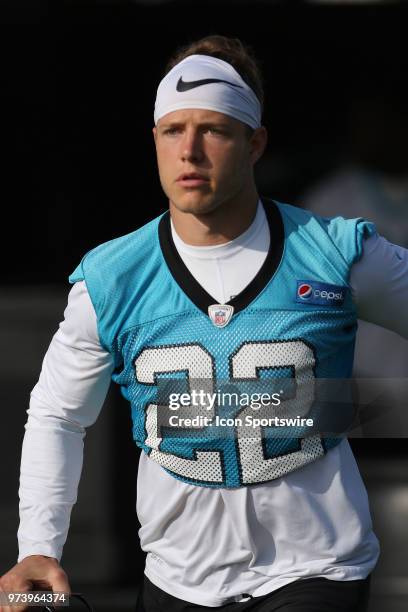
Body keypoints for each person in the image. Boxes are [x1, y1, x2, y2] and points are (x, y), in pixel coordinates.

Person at [1, 35, 408, 612]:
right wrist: (38, 547)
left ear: (254, 142)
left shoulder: (336, 253)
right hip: (179, 578)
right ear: (155, 142)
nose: (189, 150)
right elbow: (57, 414)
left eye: (213, 129)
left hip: (318, 569)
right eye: (173, 130)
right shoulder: (111, 279)